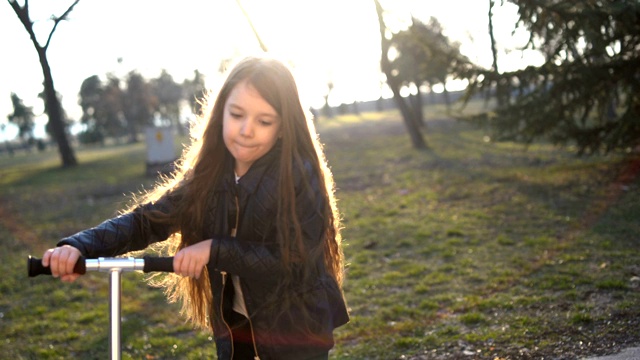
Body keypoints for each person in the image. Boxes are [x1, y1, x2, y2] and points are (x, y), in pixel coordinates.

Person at [42, 56, 349, 360]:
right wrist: (79, 246)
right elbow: (147, 222)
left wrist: (214, 250)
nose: (246, 130)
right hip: (237, 327)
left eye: (264, 121)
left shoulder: (298, 174)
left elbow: (292, 261)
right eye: (237, 114)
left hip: (295, 333)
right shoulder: (210, 176)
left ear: (283, 127)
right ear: (221, 114)